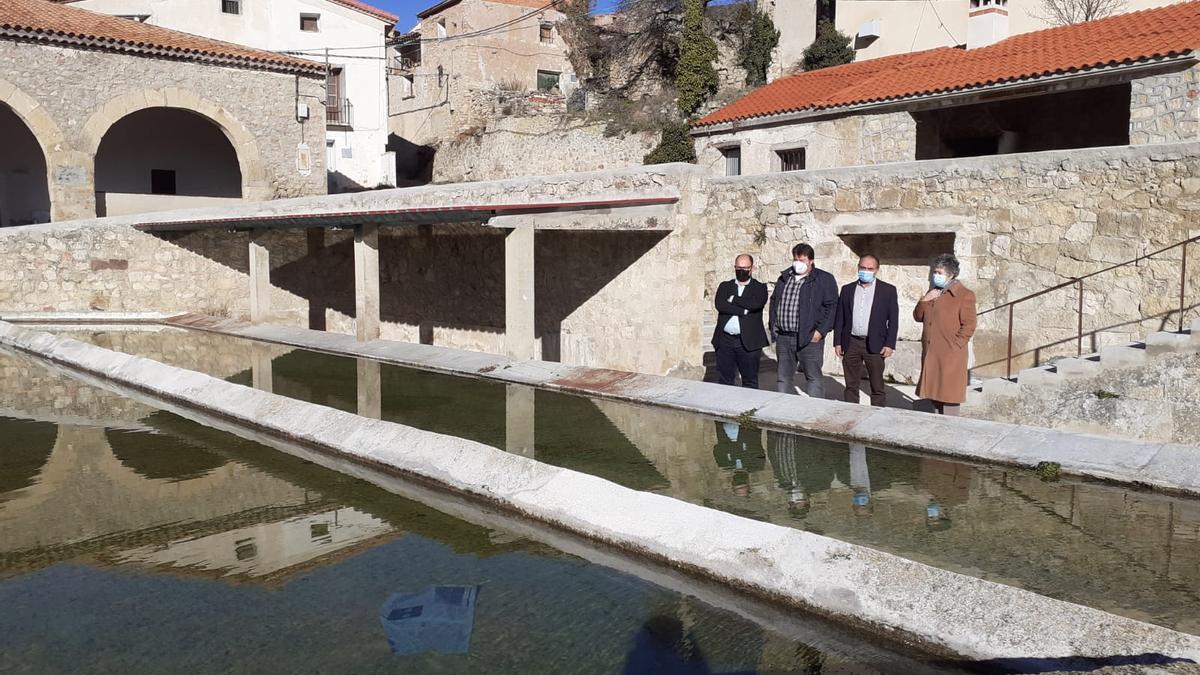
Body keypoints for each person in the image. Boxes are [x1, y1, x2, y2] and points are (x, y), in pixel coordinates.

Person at [768, 243, 838, 398]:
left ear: (811, 261)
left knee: (813, 377)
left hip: (810, 338)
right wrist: (773, 326)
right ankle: (783, 409)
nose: (798, 263)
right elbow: (774, 301)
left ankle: (814, 414)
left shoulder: (823, 279)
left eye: (802, 260)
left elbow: (832, 307)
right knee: (783, 378)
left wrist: (820, 332)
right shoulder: (785, 277)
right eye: (795, 259)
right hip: (784, 337)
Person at [914, 254, 977, 415]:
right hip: (932, 353)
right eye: (935, 272)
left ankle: (950, 432)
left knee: (949, 396)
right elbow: (918, 316)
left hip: (950, 354)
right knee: (934, 394)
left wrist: (955, 345)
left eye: (939, 273)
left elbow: (969, 324)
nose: (935, 276)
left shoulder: (964, 294)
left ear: (951, 274)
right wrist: (925, 299)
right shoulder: (933, 292)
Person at [833, 254, 899, 407]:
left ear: (876, 270)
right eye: (863, 268)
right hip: (851, 342)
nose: (866, 271)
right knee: (851, 384)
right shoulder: (847, 289)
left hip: (875, 343)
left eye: (870, 268)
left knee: (877, 386)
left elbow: (893, 320)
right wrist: (837, 342)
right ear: (858, 268)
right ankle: (851, 413)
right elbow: (840, 318)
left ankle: (877, 416)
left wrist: (890, 344)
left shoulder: (887, 290)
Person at [711, 254, 769, 389]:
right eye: (738, 268)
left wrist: (733, 299)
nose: (741, 270)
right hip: (725, 340)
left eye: (745, 268)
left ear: (752, 268)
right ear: (734, 268)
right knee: (725, 379)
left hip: (748, 342)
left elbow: (756, 304)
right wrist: (743, 311)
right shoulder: (725, 286)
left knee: (750, 380)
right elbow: (720, 305)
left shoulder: (759, 288)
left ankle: (749, 409)